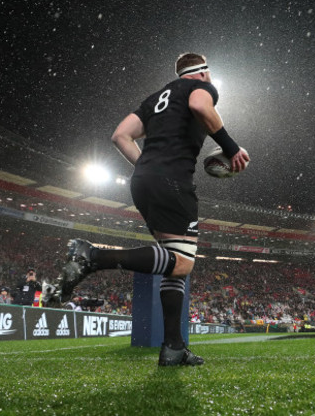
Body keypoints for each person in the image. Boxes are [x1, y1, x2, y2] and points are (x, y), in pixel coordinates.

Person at [42, 52, 249, 366]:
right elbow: (199, 107)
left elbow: (120, 135)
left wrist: (149, 167)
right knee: (181, 263)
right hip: (173, 180)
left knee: (173, 264)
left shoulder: (155, 98)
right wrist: (232, 148)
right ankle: (93, 257)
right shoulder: (203, 88)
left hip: (142, 180)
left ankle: (173, 347)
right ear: (203, 73)